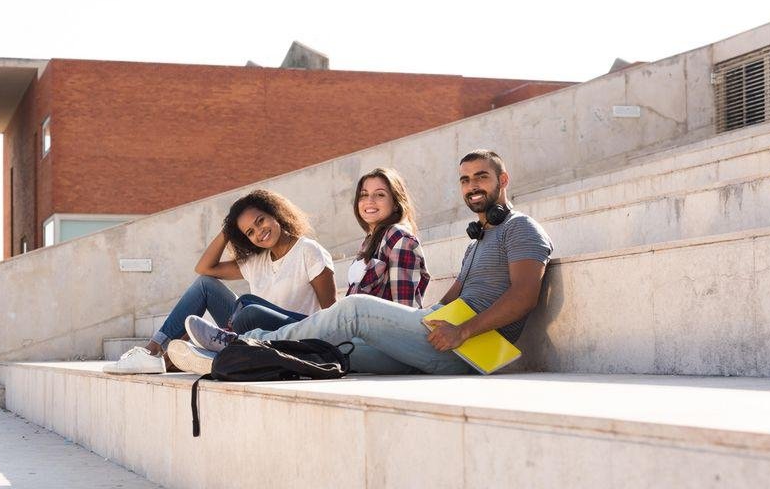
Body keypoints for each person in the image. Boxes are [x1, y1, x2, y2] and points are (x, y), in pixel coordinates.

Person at [173, 149, 553, 376]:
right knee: (333, 355)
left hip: (468, 351)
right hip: (439, 341)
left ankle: (241, 346)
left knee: (352, 310)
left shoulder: (522, 229)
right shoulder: (479, 239)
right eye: (465, 179)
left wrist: (462, 331)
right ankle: (236, 363)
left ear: (502, 179)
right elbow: (450, 298)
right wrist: (439, 317)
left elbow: (523, 297)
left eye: (481, 177)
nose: (472, 185)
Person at [104, 189, 337, 374]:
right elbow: (204, 268)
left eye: (260, 221)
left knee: (249, 309)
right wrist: (228, 230)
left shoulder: (308, 251)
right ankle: (152, 351)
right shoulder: (258, 260)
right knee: (206, 285)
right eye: (249, 232)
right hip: (253, 332)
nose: (259, 232)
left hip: (294, 334)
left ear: (275, 213)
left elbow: (330, 315)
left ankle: (215, 349)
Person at [347, 168, 429, 308]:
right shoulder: (369, 241)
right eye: (363, 195)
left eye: (380, 195)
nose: (369, 201)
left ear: (396, 203)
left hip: (382, 328)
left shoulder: (399, 237)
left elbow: (404, 308)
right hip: (357, 325)